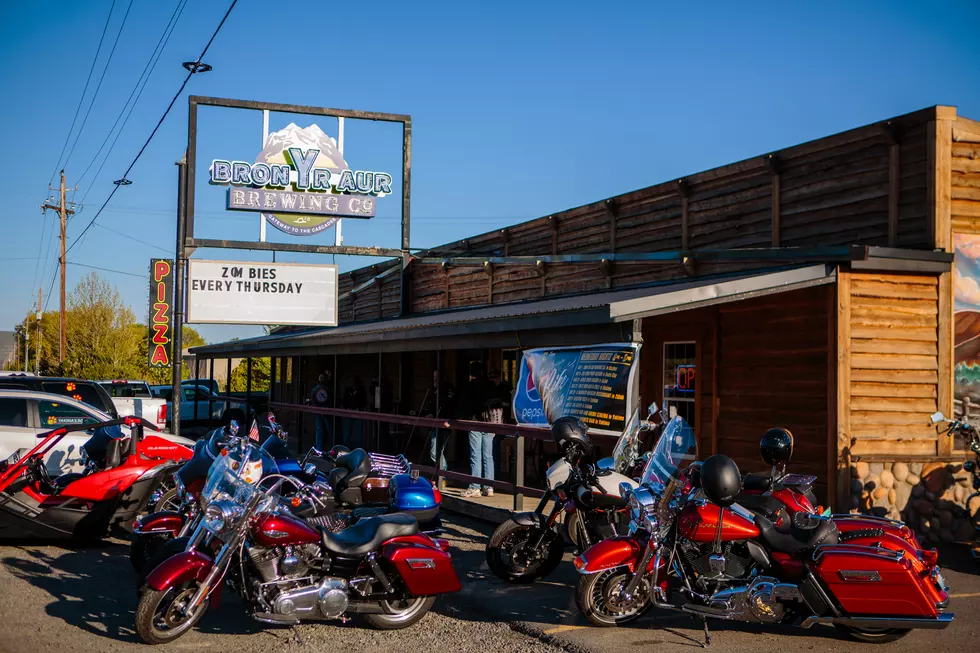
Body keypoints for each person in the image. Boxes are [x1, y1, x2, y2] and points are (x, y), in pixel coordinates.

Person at [457, 361, 498, 498]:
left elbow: (464, 405)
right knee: (488, 455)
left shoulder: (470, 386)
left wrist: (457, 418)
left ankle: (475, 486)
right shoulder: (491, 385)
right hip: (490, 422)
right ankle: (489, 486)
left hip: (474, 422)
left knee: (476, 455)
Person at [421, 370, 456, 485]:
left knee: (435, 451)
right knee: (438, 450)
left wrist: (436, 415)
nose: (435, 379)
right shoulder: (433, 390)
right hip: (434, 424)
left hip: (443, 423)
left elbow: (447, 406)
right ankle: (442, 476)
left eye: (437, 377)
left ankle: (444, 475)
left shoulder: (448, 390)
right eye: (433, 377)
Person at [310, 371, 332, 451]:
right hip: (323, 411)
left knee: (322, 429)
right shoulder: (325, 389)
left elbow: (313, 399)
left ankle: (322, 448)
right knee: (326, 429)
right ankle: (324, 448)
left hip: (322, 410)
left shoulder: (317, 389)